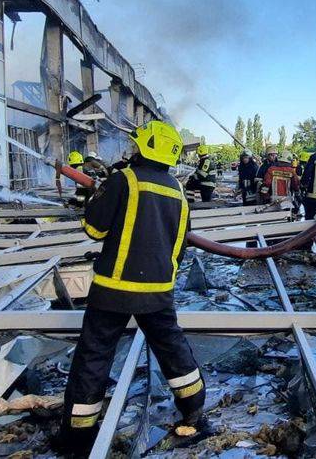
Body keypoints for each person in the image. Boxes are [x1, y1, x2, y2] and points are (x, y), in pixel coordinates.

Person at [57, 120, 207, 453]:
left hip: (112, 290)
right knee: (174, 350)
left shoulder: (123, 180)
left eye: (136, 144)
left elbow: (94, 230)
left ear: (145, 148)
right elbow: (180, 246)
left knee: (94, 356)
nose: (132, 148)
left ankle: (78, 435)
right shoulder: (178, 192)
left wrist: (90, 195)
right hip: (158, 292)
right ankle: (195, 412)